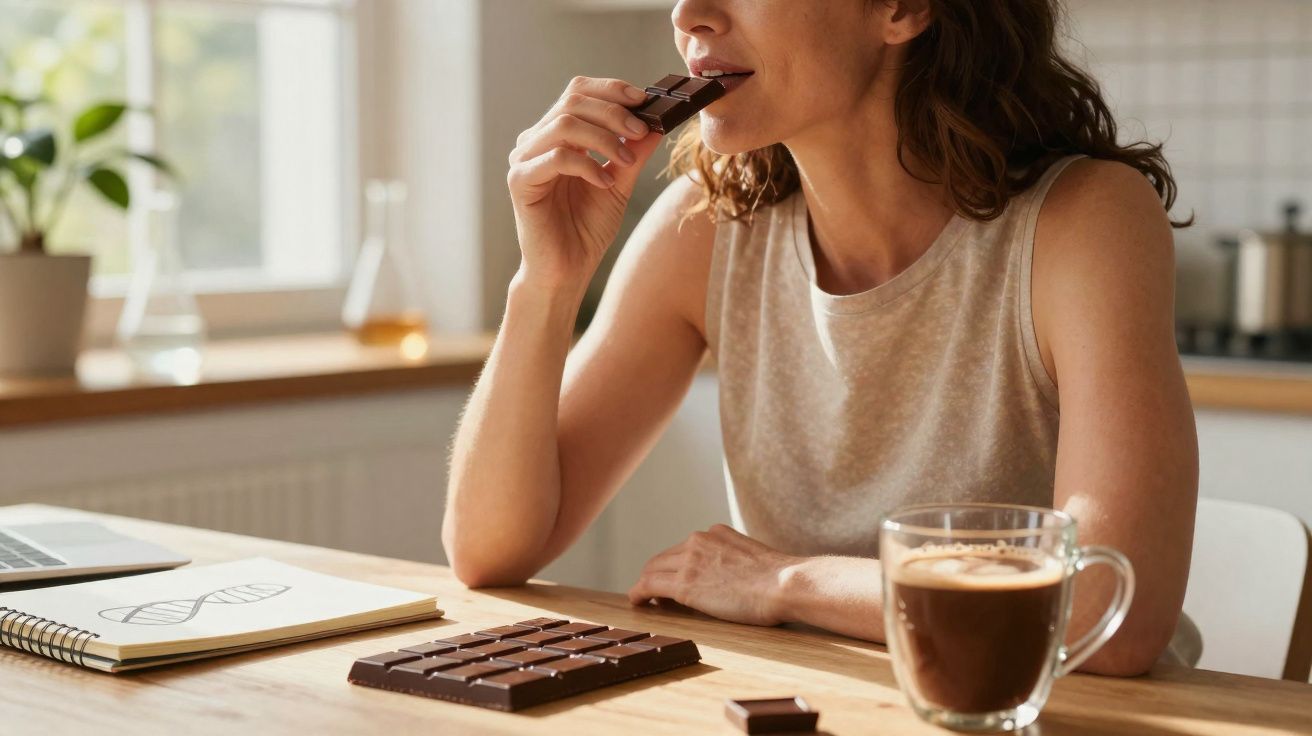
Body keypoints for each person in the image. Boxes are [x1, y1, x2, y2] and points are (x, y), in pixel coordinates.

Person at [442, 0, 1199, 676]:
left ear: (902, 9)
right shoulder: (703, 230)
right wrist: (544, 281)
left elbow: (1109, 613)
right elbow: (489, 549)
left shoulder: (1085, 224)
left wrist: (784, 582)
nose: (689, 14)